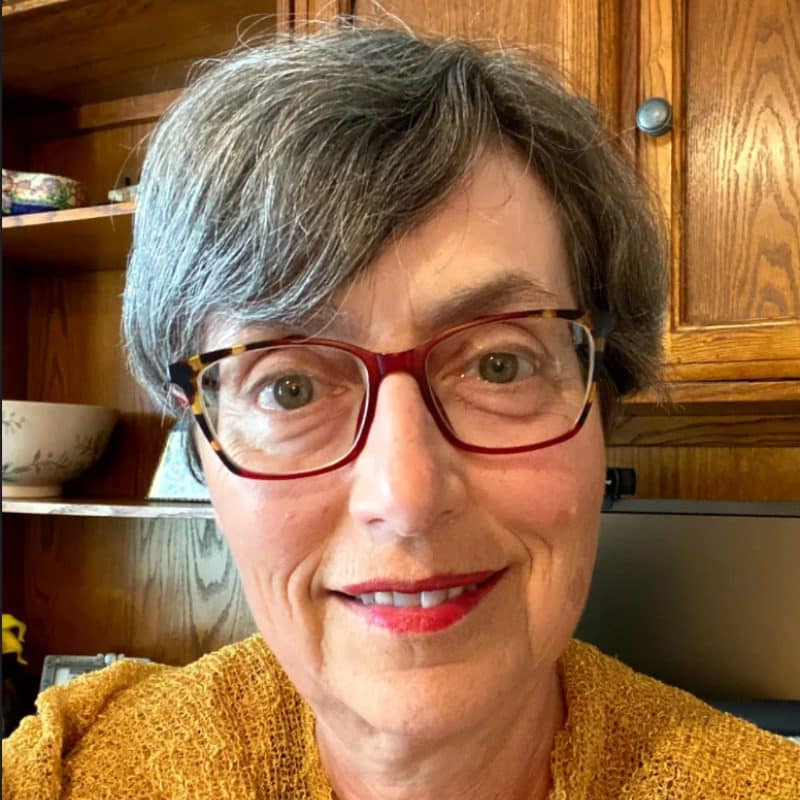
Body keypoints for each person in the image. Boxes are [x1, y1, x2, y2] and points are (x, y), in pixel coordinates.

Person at [4, 22, 798, 800]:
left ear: (603, 401)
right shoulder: (71, 772)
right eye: (290, 387)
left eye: (498, 364)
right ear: (202, 451)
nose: (407, 498)